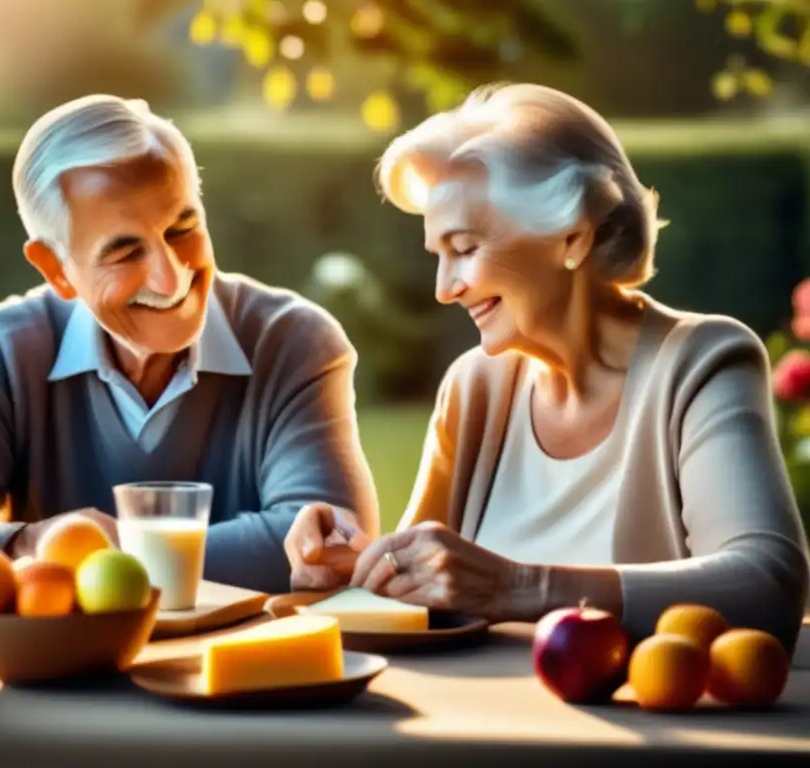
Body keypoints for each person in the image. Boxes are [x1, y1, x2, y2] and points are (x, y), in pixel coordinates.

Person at [286, 82, 810, 653]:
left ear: (572, 237)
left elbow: (767, 585)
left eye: (464, 248)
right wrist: (357, 567)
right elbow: (423, 586)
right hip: (474, 728)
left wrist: (517, 586)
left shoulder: (700, 363)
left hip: (635, 734)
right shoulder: (474, 387)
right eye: (438, 255)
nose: (444, 289)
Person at [0, 95, 379, 599]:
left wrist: (104, 552)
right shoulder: (9, 349)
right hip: (67, 682)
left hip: (244, 686)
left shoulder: (294, 341)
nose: (172, 278)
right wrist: (38, 544)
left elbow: (326, 541)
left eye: (182, 228)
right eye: (124, 253)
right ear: (56, 270)